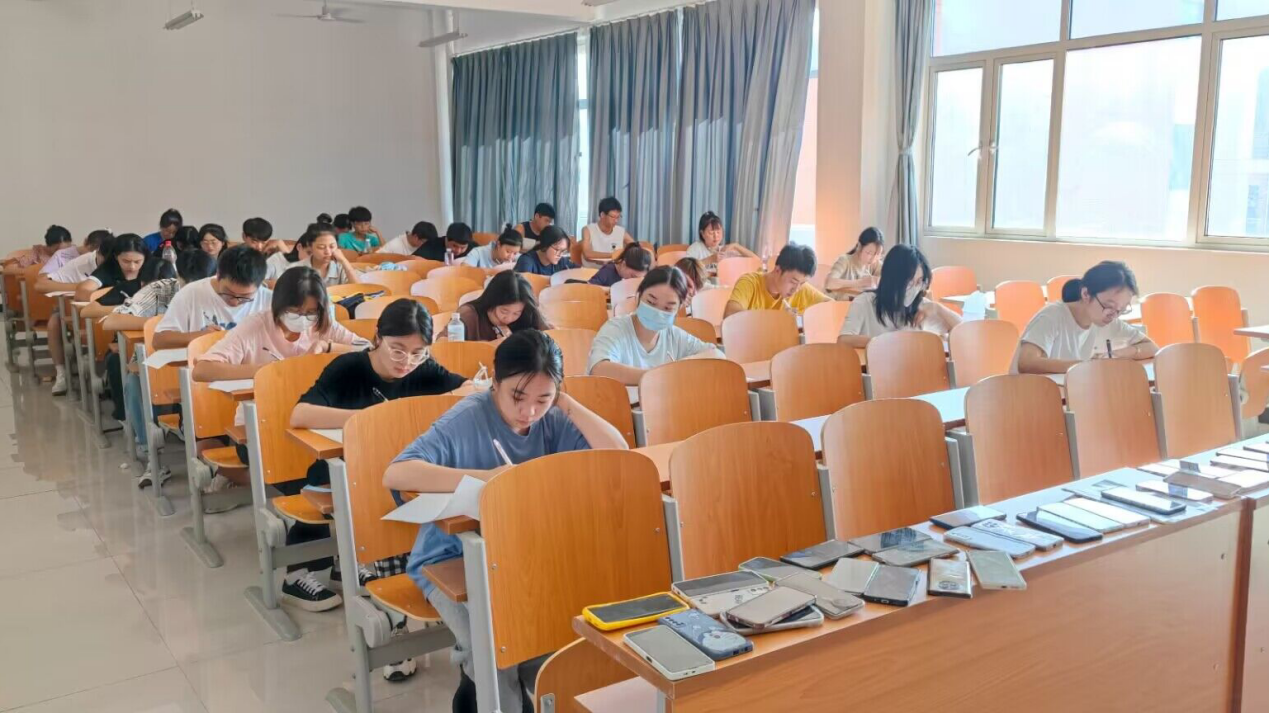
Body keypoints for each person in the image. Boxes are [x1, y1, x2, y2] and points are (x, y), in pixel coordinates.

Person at [384, 330, 628, 712]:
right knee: (493, 650)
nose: (528, 411)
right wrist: (482, 478)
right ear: (495, 382)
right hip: (449, 561)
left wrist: (565, 403)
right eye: (517, 396)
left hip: (523, 555)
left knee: (548, 642)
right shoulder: (468, 417)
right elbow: (396, 473)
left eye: (542, 399)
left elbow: (619, 456)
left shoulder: (552, 417)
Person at [290, 298, 466, 681]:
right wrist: (370, 420)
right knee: (385, 518)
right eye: (397, 350)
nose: (407, 362)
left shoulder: (424, 368)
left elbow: (466, 390)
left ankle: (432, 598)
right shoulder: (349, 367)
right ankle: (392, 617)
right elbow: (300, 414)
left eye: (418, 352)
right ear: (377, 338)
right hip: (348, 474)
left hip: (402, 479)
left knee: (438, 512)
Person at [193, 267, 368, 609]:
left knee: (347, 471)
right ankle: (296, 574)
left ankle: (338, 560)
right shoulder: (256, 326)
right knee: (310, 476)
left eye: (311, 312)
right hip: (260, 431)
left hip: (311, 427)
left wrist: (330, 345)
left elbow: (368, 350)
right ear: (278, 306)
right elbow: (203, 368)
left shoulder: (323, 324)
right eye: (295, 311)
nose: (304, 319)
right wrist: (268, 373)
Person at [105, 251, 217, 469]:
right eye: (188, 286)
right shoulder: (161, 289)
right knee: (135, 383)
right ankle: (149, 450)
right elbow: (112, 321)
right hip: (163, 363)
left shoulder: (226, 293)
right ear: (178, 276)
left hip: (205, 364)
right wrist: (163, 323)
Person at [1012, 261, 1157, 375]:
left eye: (1121, 310)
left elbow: (1152, 347)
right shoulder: (1052, 316)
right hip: (1031, 396)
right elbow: (1026, 362)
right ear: (1086, 294)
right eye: (1109, 306)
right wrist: (1085, 366)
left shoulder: (1109, 320)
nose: (1113, 315)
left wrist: (1118, 355)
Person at [588, 267, 722, 385]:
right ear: (638, 296)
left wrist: (681, 367)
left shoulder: (673, 335)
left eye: (668, 308)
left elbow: (717, 355)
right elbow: (599, 369)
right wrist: (658, 375)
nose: (658, 312)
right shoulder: (616, 328)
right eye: (651, 302)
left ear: (678, 309)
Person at [836, 244, 960, 348]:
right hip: (879, 367)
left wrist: (938, 308)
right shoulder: (865, 302)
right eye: (909, 282)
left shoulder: (922, 307)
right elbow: (844, 340)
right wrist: (888, 341)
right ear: (892, 280)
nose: (915, 288)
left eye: (919, 282)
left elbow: (963, 332)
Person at [35, 229, 112, 395]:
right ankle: (61, 373)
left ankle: (108, 371)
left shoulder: (126, 261)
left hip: (105, 313)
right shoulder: (71, 259)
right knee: (55, 323)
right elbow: (41, 283)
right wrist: (82, 287)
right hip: (72, 310)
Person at [153, 244, 271, 349]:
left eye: (245, 297)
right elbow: (159, 341)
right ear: (218, 275)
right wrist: (201, 336)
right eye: (228, 293)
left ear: (260, 284)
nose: (234, 302)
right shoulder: (191, 293)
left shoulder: (269, 300)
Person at [723, 244, 830, 317]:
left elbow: (832, 306)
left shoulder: (800, 288)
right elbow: (730, 313)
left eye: (801, 283)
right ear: (778, 270)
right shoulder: (750, 282)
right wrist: (775, 320)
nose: (796, 289)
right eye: (793, 282)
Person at [456, 271, 550, 341]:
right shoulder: (469, 315)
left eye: (516, 313)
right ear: (492, 301)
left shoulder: (528, 312)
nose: (509, 319)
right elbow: (449, 347)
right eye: (504, 311)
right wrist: (487, 346)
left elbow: (549, 339)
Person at [76, 233, 158, 310]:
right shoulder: (108, 269)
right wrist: (116, 292)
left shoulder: (155, 268)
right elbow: (81, 293)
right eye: (126, 261)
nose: (132, 267)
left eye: (137, 262)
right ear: (116, 256)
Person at [287, 223, 361, 286]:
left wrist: (344, 261)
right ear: (310, 246)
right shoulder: (295, 269)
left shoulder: (340, 266)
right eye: (321, 247)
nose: (328, 252)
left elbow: (358, 288)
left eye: (332, 246)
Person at [825, 227, 884, 300]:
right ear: (859, 246)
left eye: (877, 254)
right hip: (836, 304)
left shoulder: (874, 264)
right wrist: (860, 282)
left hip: (856, 306)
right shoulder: (845, 260)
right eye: (869, 253)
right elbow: (829, 283)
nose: (873, 259)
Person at [685, 211, 756, 266]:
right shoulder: (696, 248)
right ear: (702, 233)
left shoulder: (725, 250)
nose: (716, 236)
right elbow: (684, 270)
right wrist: (709, 260)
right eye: (711, 232)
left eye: (718, 232)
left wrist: (735, 246)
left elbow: (756, 260)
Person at [580, 197, 634, 267]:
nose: (616, 221)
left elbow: (634, 247)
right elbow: (587, 253)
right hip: (592, 271)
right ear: (602, 215)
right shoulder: (588, 230)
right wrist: (614, 255)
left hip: (614, 271)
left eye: (618, 217)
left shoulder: (621, 231)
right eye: (613, 217)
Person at [4, 225, 73, 270]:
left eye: (66, 250)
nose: (60, 253)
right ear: (48, 246)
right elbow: (22, 265)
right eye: (56, 249)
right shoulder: (38, 251)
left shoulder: (74, 252)